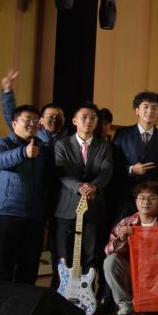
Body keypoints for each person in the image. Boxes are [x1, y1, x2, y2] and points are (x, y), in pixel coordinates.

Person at [0, 104, 54, 284]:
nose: (32, 124)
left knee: (29, 269)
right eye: (27, 120)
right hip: (6, 213)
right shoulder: (1, 144)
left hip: (35, 216)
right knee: (3, 268)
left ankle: (24, 304)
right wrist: (23, 152)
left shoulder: (43, 149)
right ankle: (1, 304)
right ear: (14, 123)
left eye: (36, 120)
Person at [53, 103, 113, 285]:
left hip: (94, 208)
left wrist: (94, 186)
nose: (88, 121)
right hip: (67, 208)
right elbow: (62, 171)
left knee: (90, 255)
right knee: (64, 256)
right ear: (74, 121)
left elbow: (106, 171)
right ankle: (61, 295)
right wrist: (80, 188)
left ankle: (86, 295)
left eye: (93, 118)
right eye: (84, 117)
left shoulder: (104, 146)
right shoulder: (62, 144)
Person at [104, 181, 158, 315]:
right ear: (136, 201)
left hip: (157, 278)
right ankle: (125, 305)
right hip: (132, 275)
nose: (146, 202)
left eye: (152, 198)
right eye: (142, 198)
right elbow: (108, 250)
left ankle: (150, 302)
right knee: (110, 261)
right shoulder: (126, 223)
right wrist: (121, 239)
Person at [111, 91, 158, 221]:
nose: (150, 111)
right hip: (125, 196)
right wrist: (131, 169)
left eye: (154, 108)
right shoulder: (122, 134)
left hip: (151, 200)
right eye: (146, 107)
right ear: (137, 110)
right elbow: (112, 165)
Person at [0, 69, 64, 145]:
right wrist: (7, 92)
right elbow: (11, 114)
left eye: (59, 116)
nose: (55, 119)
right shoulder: (29, 132)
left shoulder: (70, 139)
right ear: (41, 120)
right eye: (51, 116)